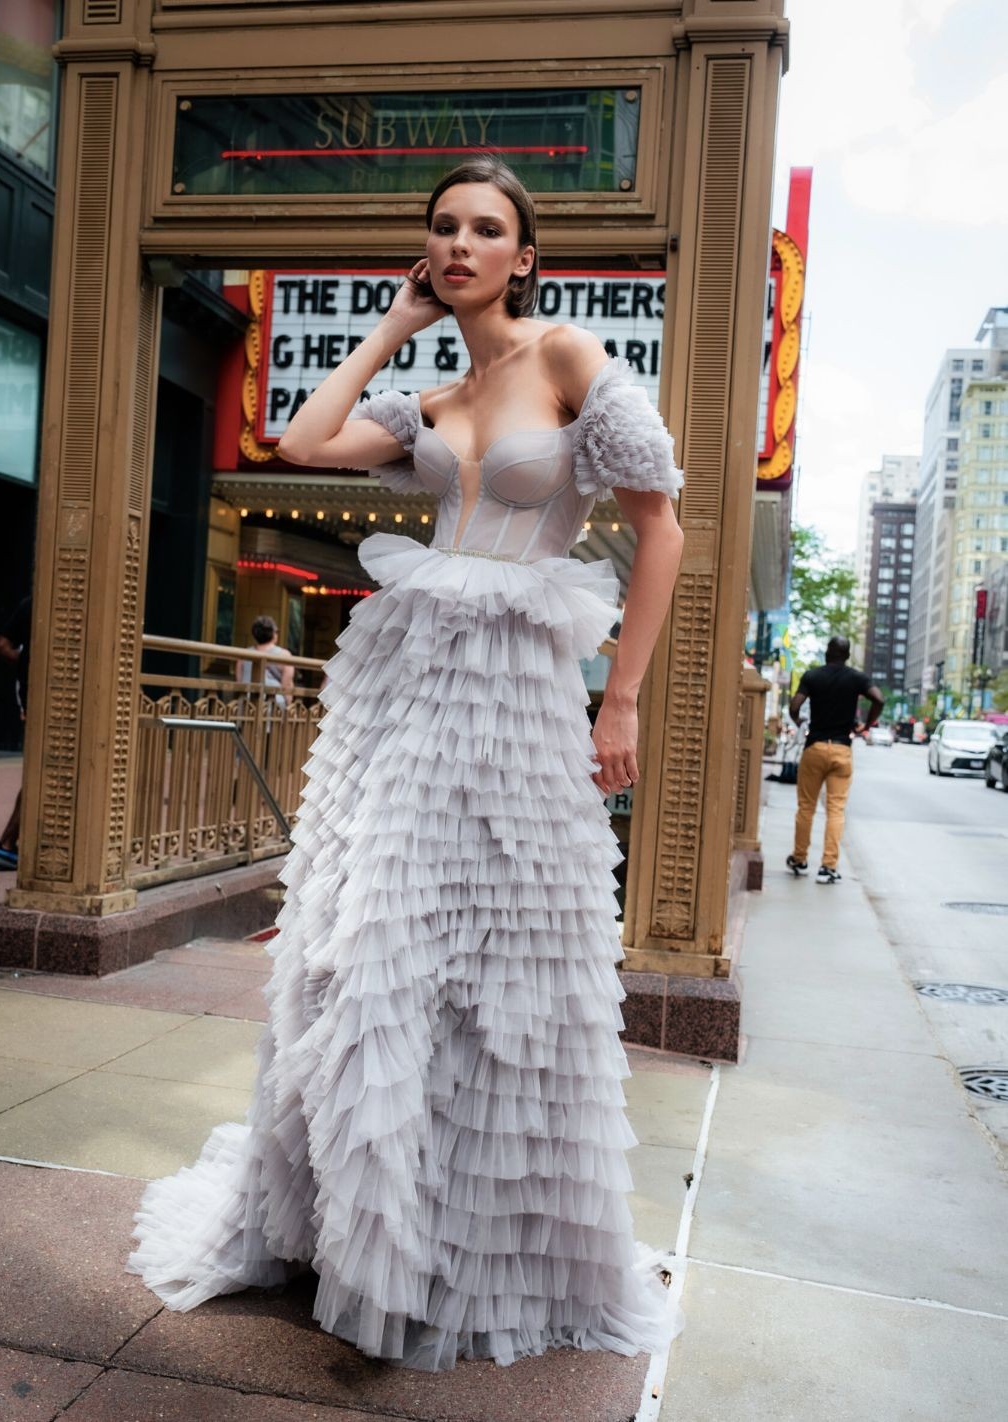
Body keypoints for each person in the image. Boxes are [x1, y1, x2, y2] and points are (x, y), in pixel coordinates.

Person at [128, 158, 687, 1371]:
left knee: (503, 963)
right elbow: (297, 438)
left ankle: (478, 1246)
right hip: (403, 693)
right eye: (443, 229)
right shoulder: (431, 400)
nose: (462, 243)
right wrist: (393, 323)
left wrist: (622, 700)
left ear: (524, 254)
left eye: (486, 228)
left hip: (520, 701)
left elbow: (661, 527)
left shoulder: (571, 362)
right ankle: (365, 1231)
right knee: (374, 939)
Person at [785, 635, 884, 885]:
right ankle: (828, 866)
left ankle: (799, 858)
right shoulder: (857, 678)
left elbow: (795, 705)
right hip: (842, 750)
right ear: (848, 655)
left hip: (815, 747)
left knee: (806, 807)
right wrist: (867, 725)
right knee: (836, 810)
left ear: (826, 653)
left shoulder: (812, 676)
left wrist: (797, 721)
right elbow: (879, 699)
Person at [0, 594, 32, 870]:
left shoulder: (29, 602)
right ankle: (7, 844)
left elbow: (2, 646)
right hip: (56, 699)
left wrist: (26, 661)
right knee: (42, 775)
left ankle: (12, 843)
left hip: (29, 697)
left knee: (39, 773)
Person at [235, 615, 295, 711]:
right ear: (273, 633)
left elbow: (239, 682)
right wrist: (289, 707)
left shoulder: (243, 655)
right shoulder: (284, 655)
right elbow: (287, 687)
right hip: (274, 707)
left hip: (247, 706)